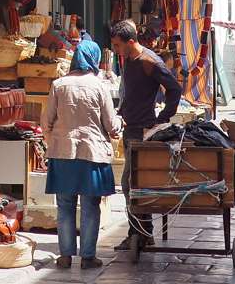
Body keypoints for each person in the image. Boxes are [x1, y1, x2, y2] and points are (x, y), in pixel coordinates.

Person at [43, 40, 118, 269]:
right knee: (90, 206)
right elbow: (111, 125)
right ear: (94, 60)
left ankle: (65, 256)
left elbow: (46, 121)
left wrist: (52, 141)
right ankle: (87, 257)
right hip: (92, 155)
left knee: (64, 205)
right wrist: (118, 126)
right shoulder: (100, 87)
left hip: (63, 153)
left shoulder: (58, 84)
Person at [111, 20, 183, 251]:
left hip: (143, 130)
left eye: (118, 45)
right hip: (130, 126)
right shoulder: (129, 60)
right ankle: (142, 233)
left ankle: (138, 233)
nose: (116, 50)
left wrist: (163, 117)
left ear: (130, 42)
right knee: (134, 182)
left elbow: (174, 88)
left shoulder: (149, 61)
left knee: (131, 182)